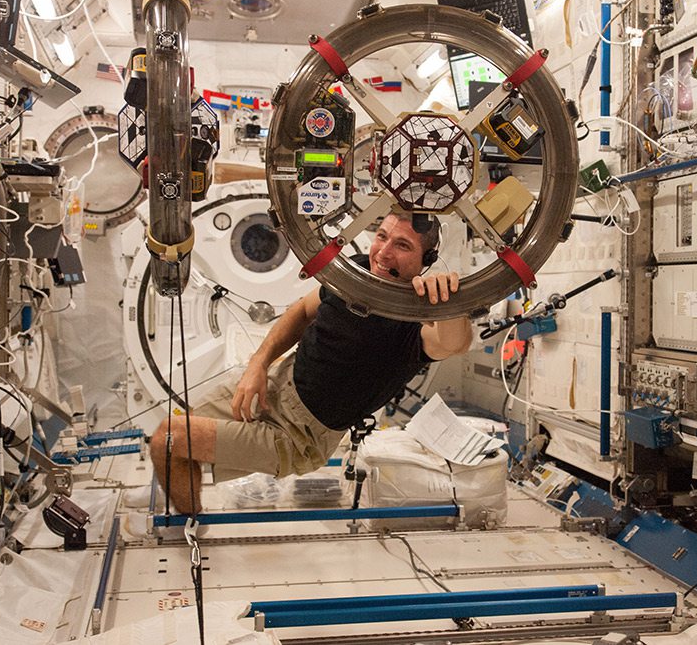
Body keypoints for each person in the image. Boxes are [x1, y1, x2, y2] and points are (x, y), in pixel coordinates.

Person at [149, 213, 473, 514]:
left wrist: (450, 305)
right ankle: (175, 496)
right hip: (276, 384)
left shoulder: (416, 320)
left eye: (402, 245)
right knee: (178, 438)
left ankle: (189, 525)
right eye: (381, 236)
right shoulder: (358, 272)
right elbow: (302, 311)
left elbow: (453, 343)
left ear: (425, 261)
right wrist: (258, 364)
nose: (383, 253)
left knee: (169, 439)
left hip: (299, 435)